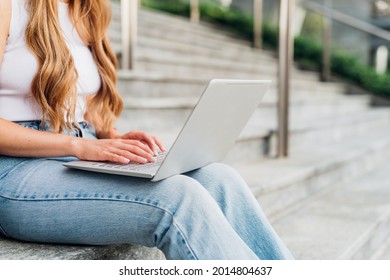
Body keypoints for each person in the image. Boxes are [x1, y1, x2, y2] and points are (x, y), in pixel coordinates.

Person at [0, 0, 293, 260]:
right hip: (16, 170)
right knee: (178, 199)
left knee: (219, 177)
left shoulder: (86, 9)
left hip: (77, 149)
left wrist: (109, 134)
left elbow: (78, 101)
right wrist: (77, 146)